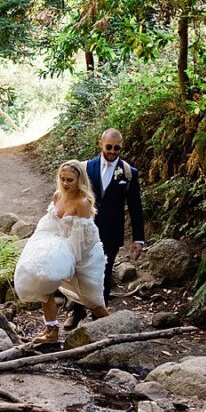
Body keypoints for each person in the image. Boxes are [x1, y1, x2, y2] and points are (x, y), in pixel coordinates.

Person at [13, 160, 110, 343]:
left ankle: (118, 330)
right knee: (44, 281)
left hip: (82, 254)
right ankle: (51, 331)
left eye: (70, 180)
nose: (65, 184)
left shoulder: (82, 203)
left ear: (79, 180)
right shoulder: (58, 196)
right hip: (60, 249)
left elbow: (82, 238)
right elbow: (50, 225)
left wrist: (71, 264)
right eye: (62, 179)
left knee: (92, 300)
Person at [67, 128, 146, 329]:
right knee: (79, 270)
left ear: (122, 146)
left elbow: (135, 207)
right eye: (109, 147)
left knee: (104, 272)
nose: (112, 151)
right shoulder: (84, 168)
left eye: (116, 148)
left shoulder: (128, 173)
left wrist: (139, 239)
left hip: (111, 232)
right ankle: (76, 312)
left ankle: (99, 318)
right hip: (83, 229)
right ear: (100, 143)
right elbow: (71, 197)